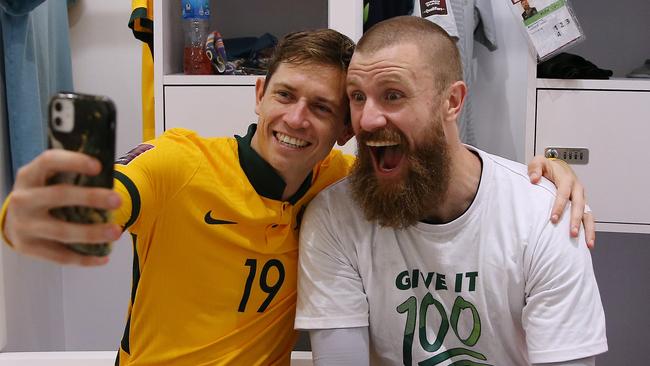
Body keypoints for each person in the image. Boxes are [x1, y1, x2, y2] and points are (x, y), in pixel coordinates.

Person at [1, 28, 591, 365]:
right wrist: (29, 214)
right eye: (285, 95)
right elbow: (115, 194)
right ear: (257, 93)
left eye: (326, 107)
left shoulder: (345, 185)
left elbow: (441, 164)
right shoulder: (180, 163)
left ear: (343, 130)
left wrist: (544, 175)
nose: (296, 118)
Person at [295, 17, 606, 366]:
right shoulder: (334, 217)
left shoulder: (544, 217)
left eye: (393, 95)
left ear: (452, 102)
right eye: (356, 97)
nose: (366, 120)